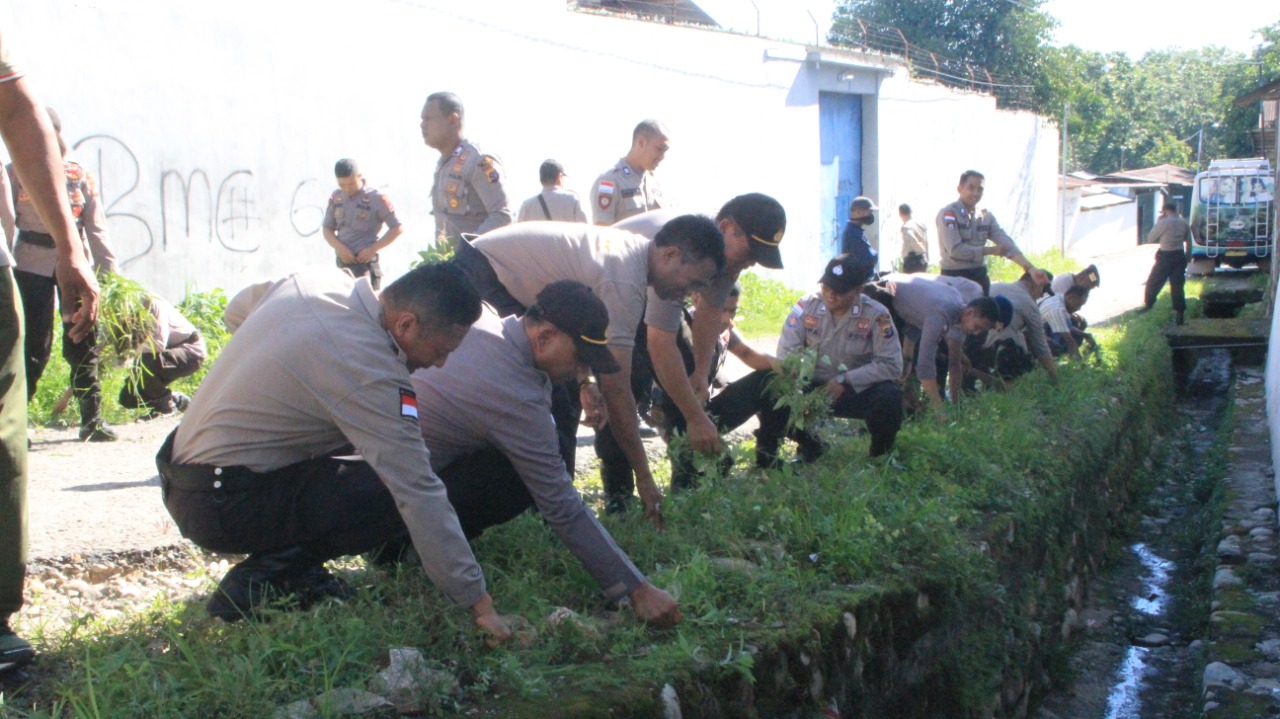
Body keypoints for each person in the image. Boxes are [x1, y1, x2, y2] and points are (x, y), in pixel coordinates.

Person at [155, 263, 511, 643]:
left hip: (183, 473)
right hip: (220, 505)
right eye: (441, 350)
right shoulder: (368, 368)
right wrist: (479, 604)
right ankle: (269, 577)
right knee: (387, 487)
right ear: (406, 324)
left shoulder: (315, 281)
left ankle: (293, 568)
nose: (439, 363)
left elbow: (236, 311)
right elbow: (417, 489)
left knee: (360, 454)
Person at [411, 281, 681, 628]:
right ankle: (399, 546)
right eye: (580, 359)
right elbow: (562, 506)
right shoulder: (516, 395)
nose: (581, 372)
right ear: (545, 337)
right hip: (385, 489)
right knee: (521, 479)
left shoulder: (486, 321)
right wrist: (638, 590)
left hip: (388, 462)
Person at [451, 217, 725, 525]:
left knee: (559, 400)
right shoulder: (624, 279)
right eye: (692, 282)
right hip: (484, 275)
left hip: (494, 271)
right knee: (546, 404)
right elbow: (617, 389)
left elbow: (580, 334)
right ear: (671, 255)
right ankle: (551, 515)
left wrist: (585, 381)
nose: (689, 294)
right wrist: (645, 478)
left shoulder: (632, 256)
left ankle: (550, 510)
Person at [0, 29, 102, 673]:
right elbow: (16, 107)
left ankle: (94, 416)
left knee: (66, 357)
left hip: (32, 276)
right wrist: (69, 252)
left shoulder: (69, 176)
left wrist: (80, 251)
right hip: (27, 274)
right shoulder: (21, 165)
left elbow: (17, 109)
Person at [612, 194, 786, 501]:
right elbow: (660, 342)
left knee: (687, 377)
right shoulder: (686, 251)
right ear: (727, 227)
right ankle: (619, 496)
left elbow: (709, 313)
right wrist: (694, 416)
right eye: (752, 249)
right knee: (622, 384)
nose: (753, 261)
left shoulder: (723, 260)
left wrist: (701, 376)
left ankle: (689, 478)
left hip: (643, 299)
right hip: (611, 294)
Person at [9, 108, 117, 442]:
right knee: (31, 343)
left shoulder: (80, 174)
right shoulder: (14, 173)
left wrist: (109, 274)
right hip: (32, 263)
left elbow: (96, 228)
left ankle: (92, 419)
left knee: (82, 337)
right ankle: (17, 423)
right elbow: (6, 219)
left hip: (76, 266)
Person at [758, 254, 904, 463]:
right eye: (827, 287)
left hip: (855, 390)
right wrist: (796, 383)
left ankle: (880, 455)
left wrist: (846, 380)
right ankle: (803, 448)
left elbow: (892, 365)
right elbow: (787, 353)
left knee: (890, 397)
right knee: (768, 387)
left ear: (858, 290)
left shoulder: (877, 315)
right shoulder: (807, 305)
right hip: (811, 388)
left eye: (840, 291)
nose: (830, 295)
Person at [649, 283, 779, 489]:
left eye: (732, 310)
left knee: (770, 380)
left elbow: (749, 355)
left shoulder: (725, 328)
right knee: (691, 481)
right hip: (675, 413)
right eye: (722, 309)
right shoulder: (682, 327)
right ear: (697, 300)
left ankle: (768, 460)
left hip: (703, 408)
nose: (727, 318)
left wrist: (783, 365)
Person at [869, 273, 1004, 418]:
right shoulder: (942, 313)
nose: (976, 333)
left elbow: (914, 320)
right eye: (977, 327)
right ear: (970, 312)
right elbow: (925, 366)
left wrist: (907, 359)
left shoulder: (956, 301)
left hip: (890, 296)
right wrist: (940, 411)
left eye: (981, 331)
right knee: (884, 362)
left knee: (899, 368)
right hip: (878, 296)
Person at [420, 92, 511, 246]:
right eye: (422, 120)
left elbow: (502, 216)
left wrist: (467, 249)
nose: (422, 125)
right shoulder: (443, 164)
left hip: (477, 264)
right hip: (451, 264)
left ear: (452, 120)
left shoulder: (480, 161)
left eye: (428, 119)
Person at [936, 170, 1048, 294]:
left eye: (980, 189)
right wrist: (989, 251)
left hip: (979, 275)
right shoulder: (948, 214)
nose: (975, 193)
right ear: (960, 189)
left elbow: (1006, 244)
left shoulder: (985, 216)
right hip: (954, 278)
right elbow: (955, 250)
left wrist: (1031, 269)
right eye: (971, 188)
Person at [116, 293, 206, 417]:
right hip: (164, 355)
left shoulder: (152, 303)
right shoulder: (122, 313)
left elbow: (158, 344)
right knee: (128, 398)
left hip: (191, 351)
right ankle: (176, 399)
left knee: (142, 363)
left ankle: (166, 406)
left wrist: (130, 355)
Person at [321, 158, 403, 291]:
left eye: (351, 184)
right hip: (342, 265)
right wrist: (340, 248)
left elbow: (397, 227)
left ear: (360, 176)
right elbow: (327, 229)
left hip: (365, 266)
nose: (347, 189)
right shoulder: (337, 197)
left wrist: (373, 249)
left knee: (367, 309)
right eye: (342, 185)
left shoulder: (377, 198)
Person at [979, 272, 1058, 381]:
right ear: (1036, 285)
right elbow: (1041, 346)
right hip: (998, 351)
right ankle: (1007, 385)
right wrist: (1055, 379)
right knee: (1018, 345)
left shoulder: (995, 286)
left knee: (1019, 336)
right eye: (1043, 291)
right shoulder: (1029, 304)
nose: (1041, 296)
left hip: (972, 344)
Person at [589, 120, 668, 226]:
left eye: (665, 151)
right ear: (641, 142)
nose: (662, 157)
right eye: (659, 149)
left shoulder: (655, 183)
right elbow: (602, 232)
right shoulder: (609, 181)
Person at [1143, 202, 1192, 325]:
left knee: (1154, 281)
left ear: (1164, 211)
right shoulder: (1184, 223)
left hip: (1165, 256)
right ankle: (1179, 314)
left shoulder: (1163, 223)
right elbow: (1189, 242)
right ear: (1175, 210)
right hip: (1179, 256)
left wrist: (1158, 222)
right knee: (1177, 286)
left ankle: (1148, 305)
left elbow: (1150, 238)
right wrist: (1188, 257)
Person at [516, 159, 587, 223]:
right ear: (560, 177)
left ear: (541, 179)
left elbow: (518, 234)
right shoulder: (572, 199)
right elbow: (584, 230)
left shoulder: (527, 205)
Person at [1039, 285, 1091, 359]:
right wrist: (1080, 362)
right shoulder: (1057, 309)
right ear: (1071, 298)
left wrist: (1085, 335)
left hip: (1045, 329)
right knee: (1061, 343)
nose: (1079, 308)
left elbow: (1066, 326)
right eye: (1078, 304)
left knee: (1076, 328)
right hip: (1040, 336)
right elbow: (1070, 341)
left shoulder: (1058, 298)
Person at [840, 195, 879, 277]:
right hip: (860, 282)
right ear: (858, 212)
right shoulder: (852, 233)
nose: (871, 214)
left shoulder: (856, 230)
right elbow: (869, 258)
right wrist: (875, 255)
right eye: (869, 211)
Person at [898, 203, 928, 273]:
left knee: (911, 283)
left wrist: (919, 250)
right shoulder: (920, 224)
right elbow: (926, 242)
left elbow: (911, 238)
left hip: (912, 261)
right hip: (922, 258)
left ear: (900, 214)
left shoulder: (907, 226)